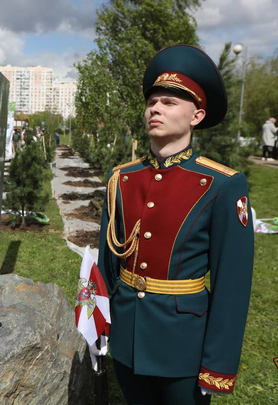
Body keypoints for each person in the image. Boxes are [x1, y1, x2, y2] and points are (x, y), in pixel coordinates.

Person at [96, 45, 254, 404]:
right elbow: (108, 262)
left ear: (196, 116)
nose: (155, 109)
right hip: (127, 333)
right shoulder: (122, 178)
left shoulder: (221, 184)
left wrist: (218, 367)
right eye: (153, 101)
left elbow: (233, 284)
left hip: (183, 345)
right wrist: (100, 324)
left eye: (169, 103)